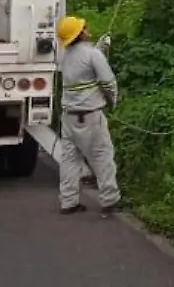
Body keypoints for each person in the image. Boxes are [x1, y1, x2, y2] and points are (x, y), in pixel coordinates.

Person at [53, 14, 122, 215]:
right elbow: (109, 83)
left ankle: (68, 201)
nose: (86, 28)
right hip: (91, 116)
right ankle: (110, 200)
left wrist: (100, 48)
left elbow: (83, 64)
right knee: (102, 155)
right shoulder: (93, 55)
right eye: (83, 27)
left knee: (69, 159)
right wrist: (112, 102)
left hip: (69, 117)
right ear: (80, 33)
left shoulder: (64, 56)